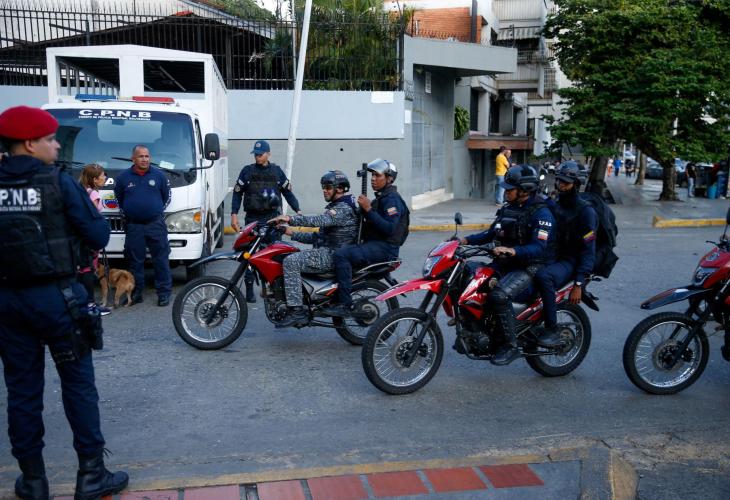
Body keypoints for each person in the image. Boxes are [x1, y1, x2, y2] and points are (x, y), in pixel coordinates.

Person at [0, 106, 128, 500]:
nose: (56, 145)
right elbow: (98, 235)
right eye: (50, 139)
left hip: (8, 303)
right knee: (78, 385)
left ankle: (33, 481)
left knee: (22, 392)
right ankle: (91, 475)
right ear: (29, 144)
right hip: (59, 300)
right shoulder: (58, 183)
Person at [458, 165, 556, 365]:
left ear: (525, 189)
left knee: (499, 295)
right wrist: (465, 240)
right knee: (468, 278)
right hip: (505, 264)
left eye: (510, 189)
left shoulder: (542, 213)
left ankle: (511, 346)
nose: (506, 192)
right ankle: (477, 330)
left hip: (529, 267)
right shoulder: (508, 209)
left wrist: (513, 251)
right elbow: (490, 234)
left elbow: (539, 247)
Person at [268, 170, 359, 327]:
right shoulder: (337, 206)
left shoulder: (343, 208)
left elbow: (318, 220)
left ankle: (297, 311)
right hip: (328, 250)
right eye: (323, 187)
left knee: (291, 262)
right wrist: (288, 232)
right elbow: (317, 237)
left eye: (328, 187)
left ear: (339, 189)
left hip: (333, 255)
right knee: (287, 253)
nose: (324, 190)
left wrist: (290, 219)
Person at [326, 159, 409, 317]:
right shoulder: (382, 197)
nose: (373, 179)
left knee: (342, 254)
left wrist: (368, 209)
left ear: (389, 178)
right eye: (372, 175)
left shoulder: (392, 199)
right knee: (342, 249)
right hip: (375, 244)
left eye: (377, 175)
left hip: (385, 248)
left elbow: (389, 228)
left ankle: (344, 304)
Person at [533, 163, 597, 347]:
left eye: (566, 182)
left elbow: (588, 249)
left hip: (571, 260)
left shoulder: (586, 212)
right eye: (560, 180)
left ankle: (552, 329)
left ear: (576, 184)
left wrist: (579, 283)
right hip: (553, 255)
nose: (561, 185)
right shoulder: (557, 204)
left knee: (544, 276)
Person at [230, 140, 301, 303]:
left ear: (268, 154)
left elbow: (288, 192)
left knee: (275, 255)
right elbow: (237, 193)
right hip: (253, 219)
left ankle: (274, 290)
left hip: (273, 219)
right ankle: (249, 290)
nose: (257, 157)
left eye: (260, 154)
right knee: (249, 255)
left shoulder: (277, 172)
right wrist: (234, 214)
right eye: (255, 154)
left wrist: (298, 210)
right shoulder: (247, 171)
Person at [113, 145, 172, 307]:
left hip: (155, 225)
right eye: (141, 156)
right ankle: (136, 293)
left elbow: (166, 197)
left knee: (161, 260)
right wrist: (131, 211)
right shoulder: (123, 177)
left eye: (147, 156)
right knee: (135, 262)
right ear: (133, 158)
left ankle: (163, 293)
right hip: (134, 226)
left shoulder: (159, 176)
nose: (144, 159)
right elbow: (119, 198)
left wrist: (154, 210)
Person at [78, 164, 111, 316]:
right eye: (103, 176)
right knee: (88, 270)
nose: (105, 178)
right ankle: (90, 304)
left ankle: (82, 302)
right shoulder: (94, 195)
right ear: (95, 179)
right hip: (90, 238)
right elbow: (92, 218)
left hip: (79, 238)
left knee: (80, 270)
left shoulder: (80, 192)